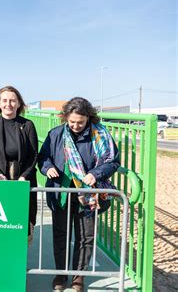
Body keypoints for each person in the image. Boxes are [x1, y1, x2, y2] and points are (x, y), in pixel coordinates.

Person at [38, 97, 120, 292]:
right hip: (62, 193)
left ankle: (78, 277)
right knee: (61, 235)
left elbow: (113, 161)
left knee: (85, 237)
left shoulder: (100, 135)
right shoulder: (56, 134)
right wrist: (47, 167)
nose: (75, 125)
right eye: (72, 121)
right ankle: (61, 274)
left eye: (80, 122)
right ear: (66, 117)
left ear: (89, 118)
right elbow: (43, 158)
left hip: (88, 195)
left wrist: (96, 173)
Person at [0, 85, 38, 244]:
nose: (8, 104)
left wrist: (23, 176)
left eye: (13, 101)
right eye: (4, 100)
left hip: (21, 181)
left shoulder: (27, 125)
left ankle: (18, 260)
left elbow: (33, 155)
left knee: (20, 224)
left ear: (19, 104)